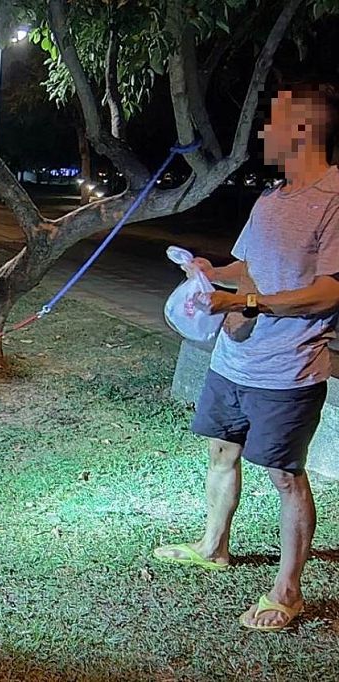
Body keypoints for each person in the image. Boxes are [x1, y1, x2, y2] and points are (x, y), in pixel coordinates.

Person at [153, 81, 339, 632]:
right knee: (221, 453)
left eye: (275, 122)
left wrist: (247, 300)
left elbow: (332, 290)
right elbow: (245, 266)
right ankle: (213, 547)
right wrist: (212, 272)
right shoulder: (270, 199)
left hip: (287, 370)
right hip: (233, 360)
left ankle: (288, 591)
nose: (264, 134)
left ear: (303, 130)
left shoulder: (333, 201)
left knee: (285, 476)